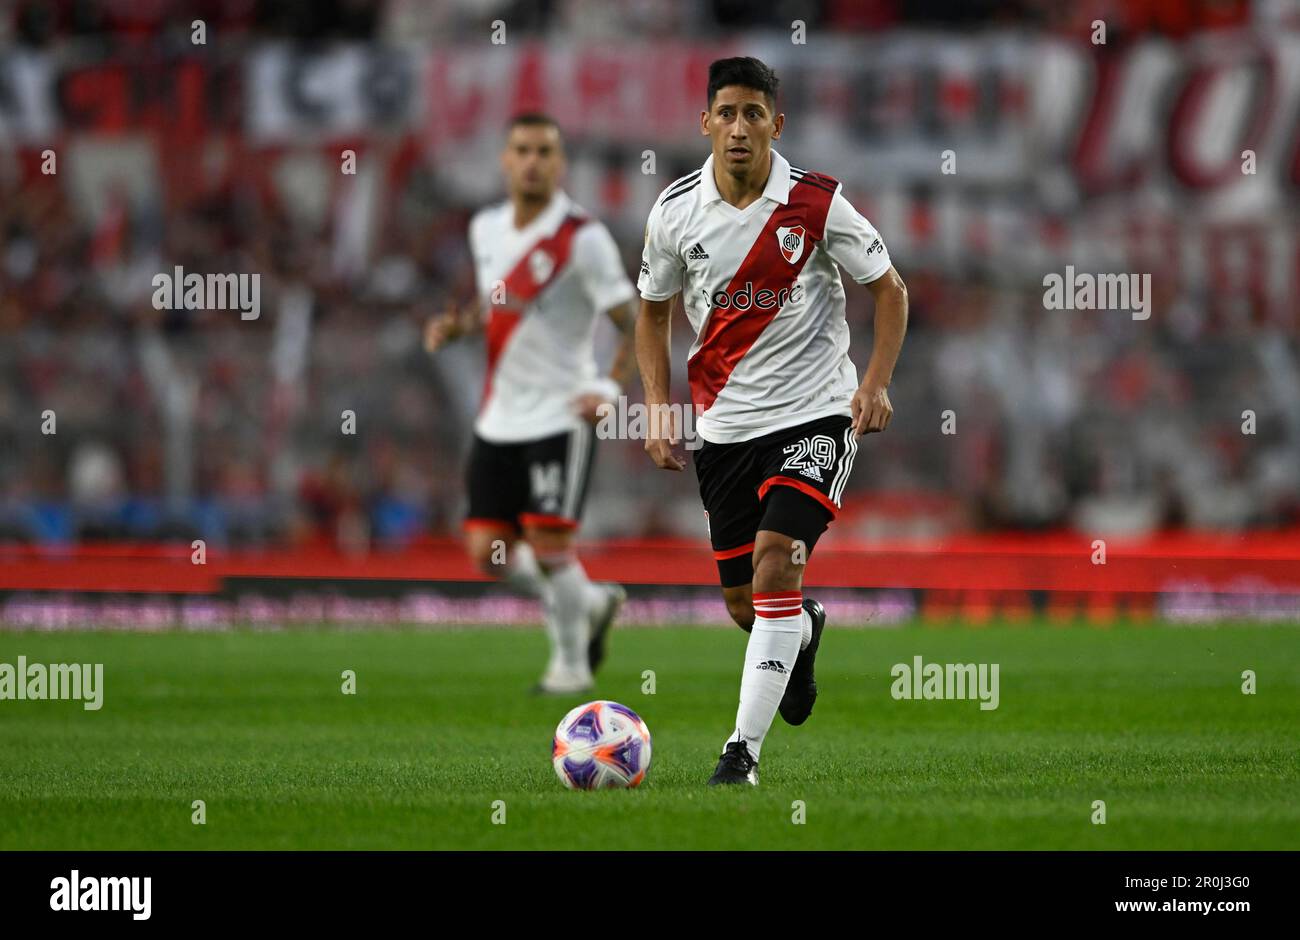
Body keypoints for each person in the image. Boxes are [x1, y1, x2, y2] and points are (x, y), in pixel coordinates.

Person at [635, 57, 909, 784]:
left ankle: (740, 755)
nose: (738, 128)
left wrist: (875, 384)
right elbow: (652, 311)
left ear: (775, 125)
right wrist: (657, 406)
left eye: (753, 114)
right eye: (725, 113)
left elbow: (890, 290)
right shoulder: (674, 212)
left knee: (775, 559)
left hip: (815, 415)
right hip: (724, 432)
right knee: (743, 603)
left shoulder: (816, 203)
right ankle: (803, 628)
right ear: (705, 124)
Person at [426, 114, 636, 694]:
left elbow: (631, 319)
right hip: (499, 418)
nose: (533, 161)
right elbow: (493, 300)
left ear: (560, 163)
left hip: (560, 415)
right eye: (522, 149)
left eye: (545, 151)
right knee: (487, 554)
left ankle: (568, 665)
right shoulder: (485, 228)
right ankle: (588, 602)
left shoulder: (582, 238)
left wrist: (610, 388)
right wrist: (459, 326)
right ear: (505, 159)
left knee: (550, 547)